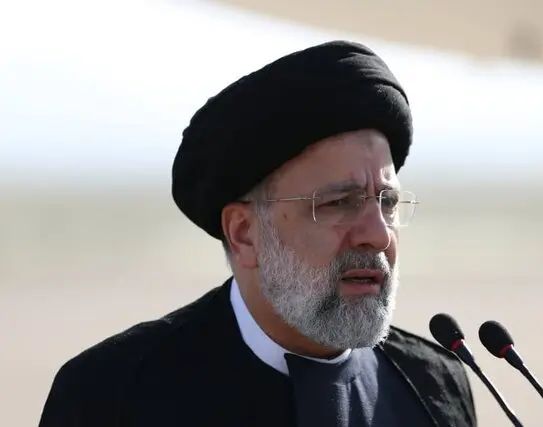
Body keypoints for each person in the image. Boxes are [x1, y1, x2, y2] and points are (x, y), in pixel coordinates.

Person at [39, 40, 477, 427]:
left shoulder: (434, 385)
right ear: (244, 233)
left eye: (387, 202)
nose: (378, 235)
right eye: (338, 203)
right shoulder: (111, 395)